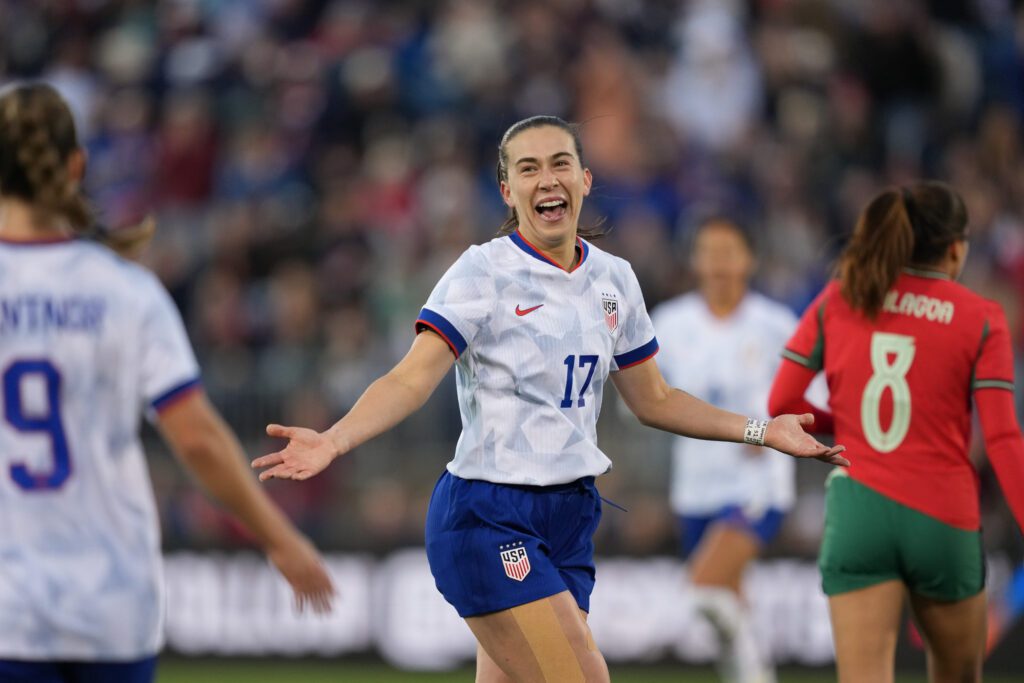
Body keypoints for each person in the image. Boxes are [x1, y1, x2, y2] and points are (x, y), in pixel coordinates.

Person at [254, 114, 846, 683]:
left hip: (570, 518)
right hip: (489, 515)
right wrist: (334, 438)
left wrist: (761, 430)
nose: (548, 179)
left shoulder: (615, 280)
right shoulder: (482, 272)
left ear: (585, 180)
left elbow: (655, 400)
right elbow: (411, 378)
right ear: (508, 190)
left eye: (561, 163)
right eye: (529, 169)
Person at [0, 82, 334, 682]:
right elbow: (198, 439)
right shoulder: (124, 290)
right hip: (111, 603)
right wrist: (278, 537)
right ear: (76, 164)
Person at [768, 181, 1024, 683]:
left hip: (859, 509)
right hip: (943, 515)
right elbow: (1002, 439)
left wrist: (846, 425)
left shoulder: (844, 296)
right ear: (956, 247)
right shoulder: (981, 317)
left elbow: (781, 403)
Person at [650, 216, 805, 683]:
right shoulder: (669, 324)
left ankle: (758, 673)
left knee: (703, 591)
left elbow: (808, 395)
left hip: (756, 484)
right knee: (725, 608)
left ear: (749, 259)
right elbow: (648, 398)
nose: (719, 263)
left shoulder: (776, 325)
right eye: (709, 252)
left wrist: (774, 429)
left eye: (729, 251)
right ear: (694, 260)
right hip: (694, 485)